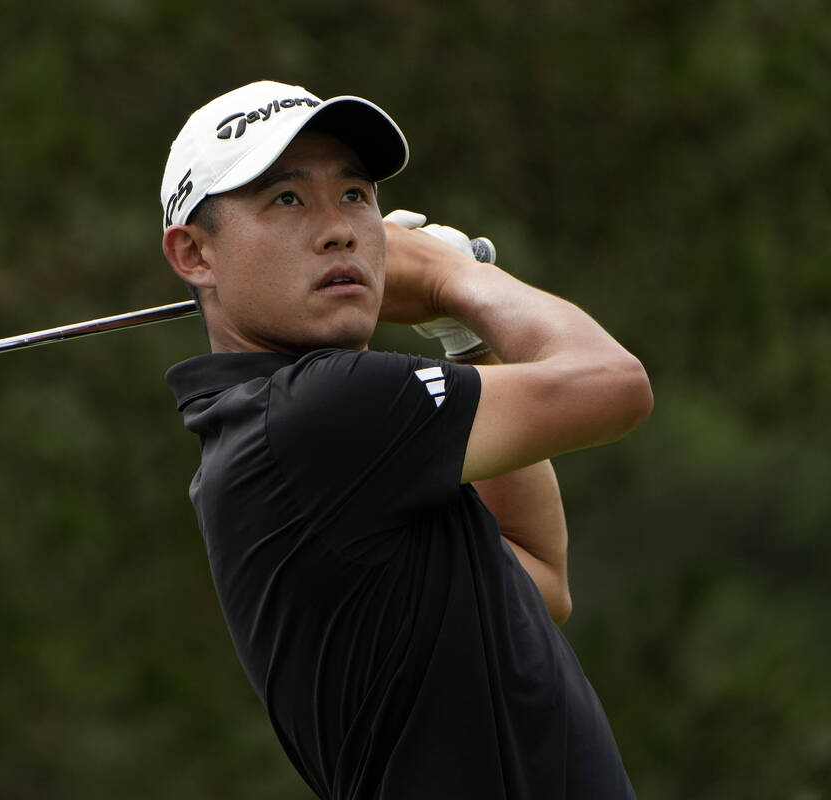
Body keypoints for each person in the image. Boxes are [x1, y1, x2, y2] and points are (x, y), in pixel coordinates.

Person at [159, 80, 653, 799]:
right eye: (287, 200)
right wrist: (459, 277)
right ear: (195, 255)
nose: (341, 230)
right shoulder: (317, 410)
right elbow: (614, 384)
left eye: (356, 195)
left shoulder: (279, 432)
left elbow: (540, 578)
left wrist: (467, 334)